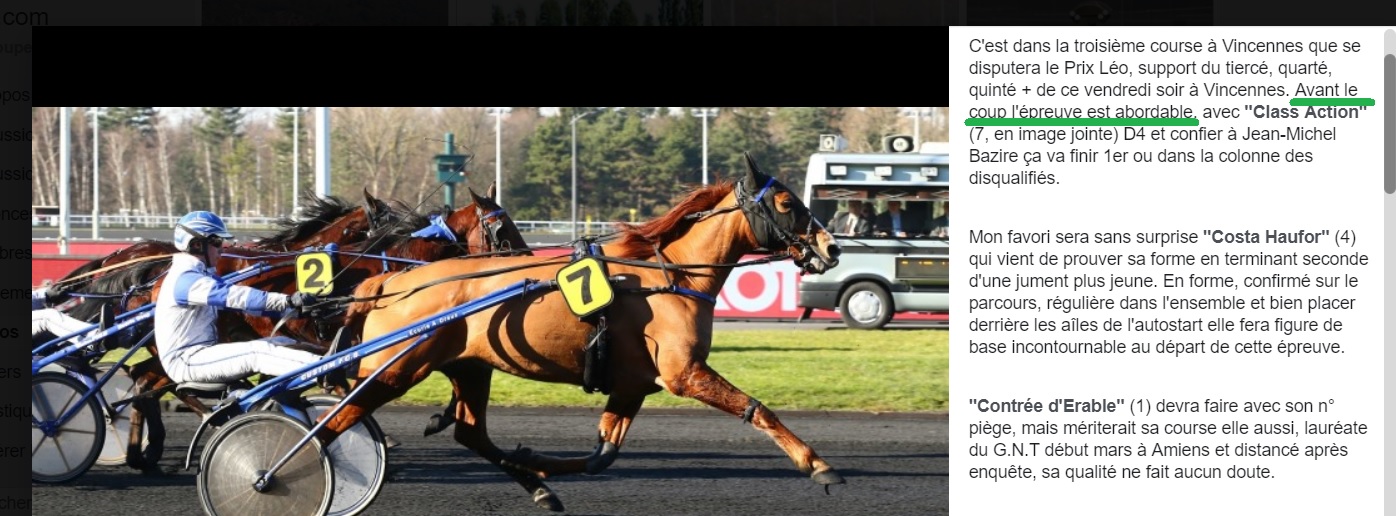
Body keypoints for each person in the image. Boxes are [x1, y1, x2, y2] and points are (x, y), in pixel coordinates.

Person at [155, 210, 323, 385]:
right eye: (216, 241)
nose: (222, 248)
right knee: (258, 352)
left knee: (284, 342)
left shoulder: (201, 275)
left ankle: (312, 372)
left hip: (201, 354)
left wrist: (297, 311)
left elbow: (246, 307)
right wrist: (286, 300)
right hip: (186, 360)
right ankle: (324, 369)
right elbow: (238, 297)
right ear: (197, 245)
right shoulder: (186, 279)